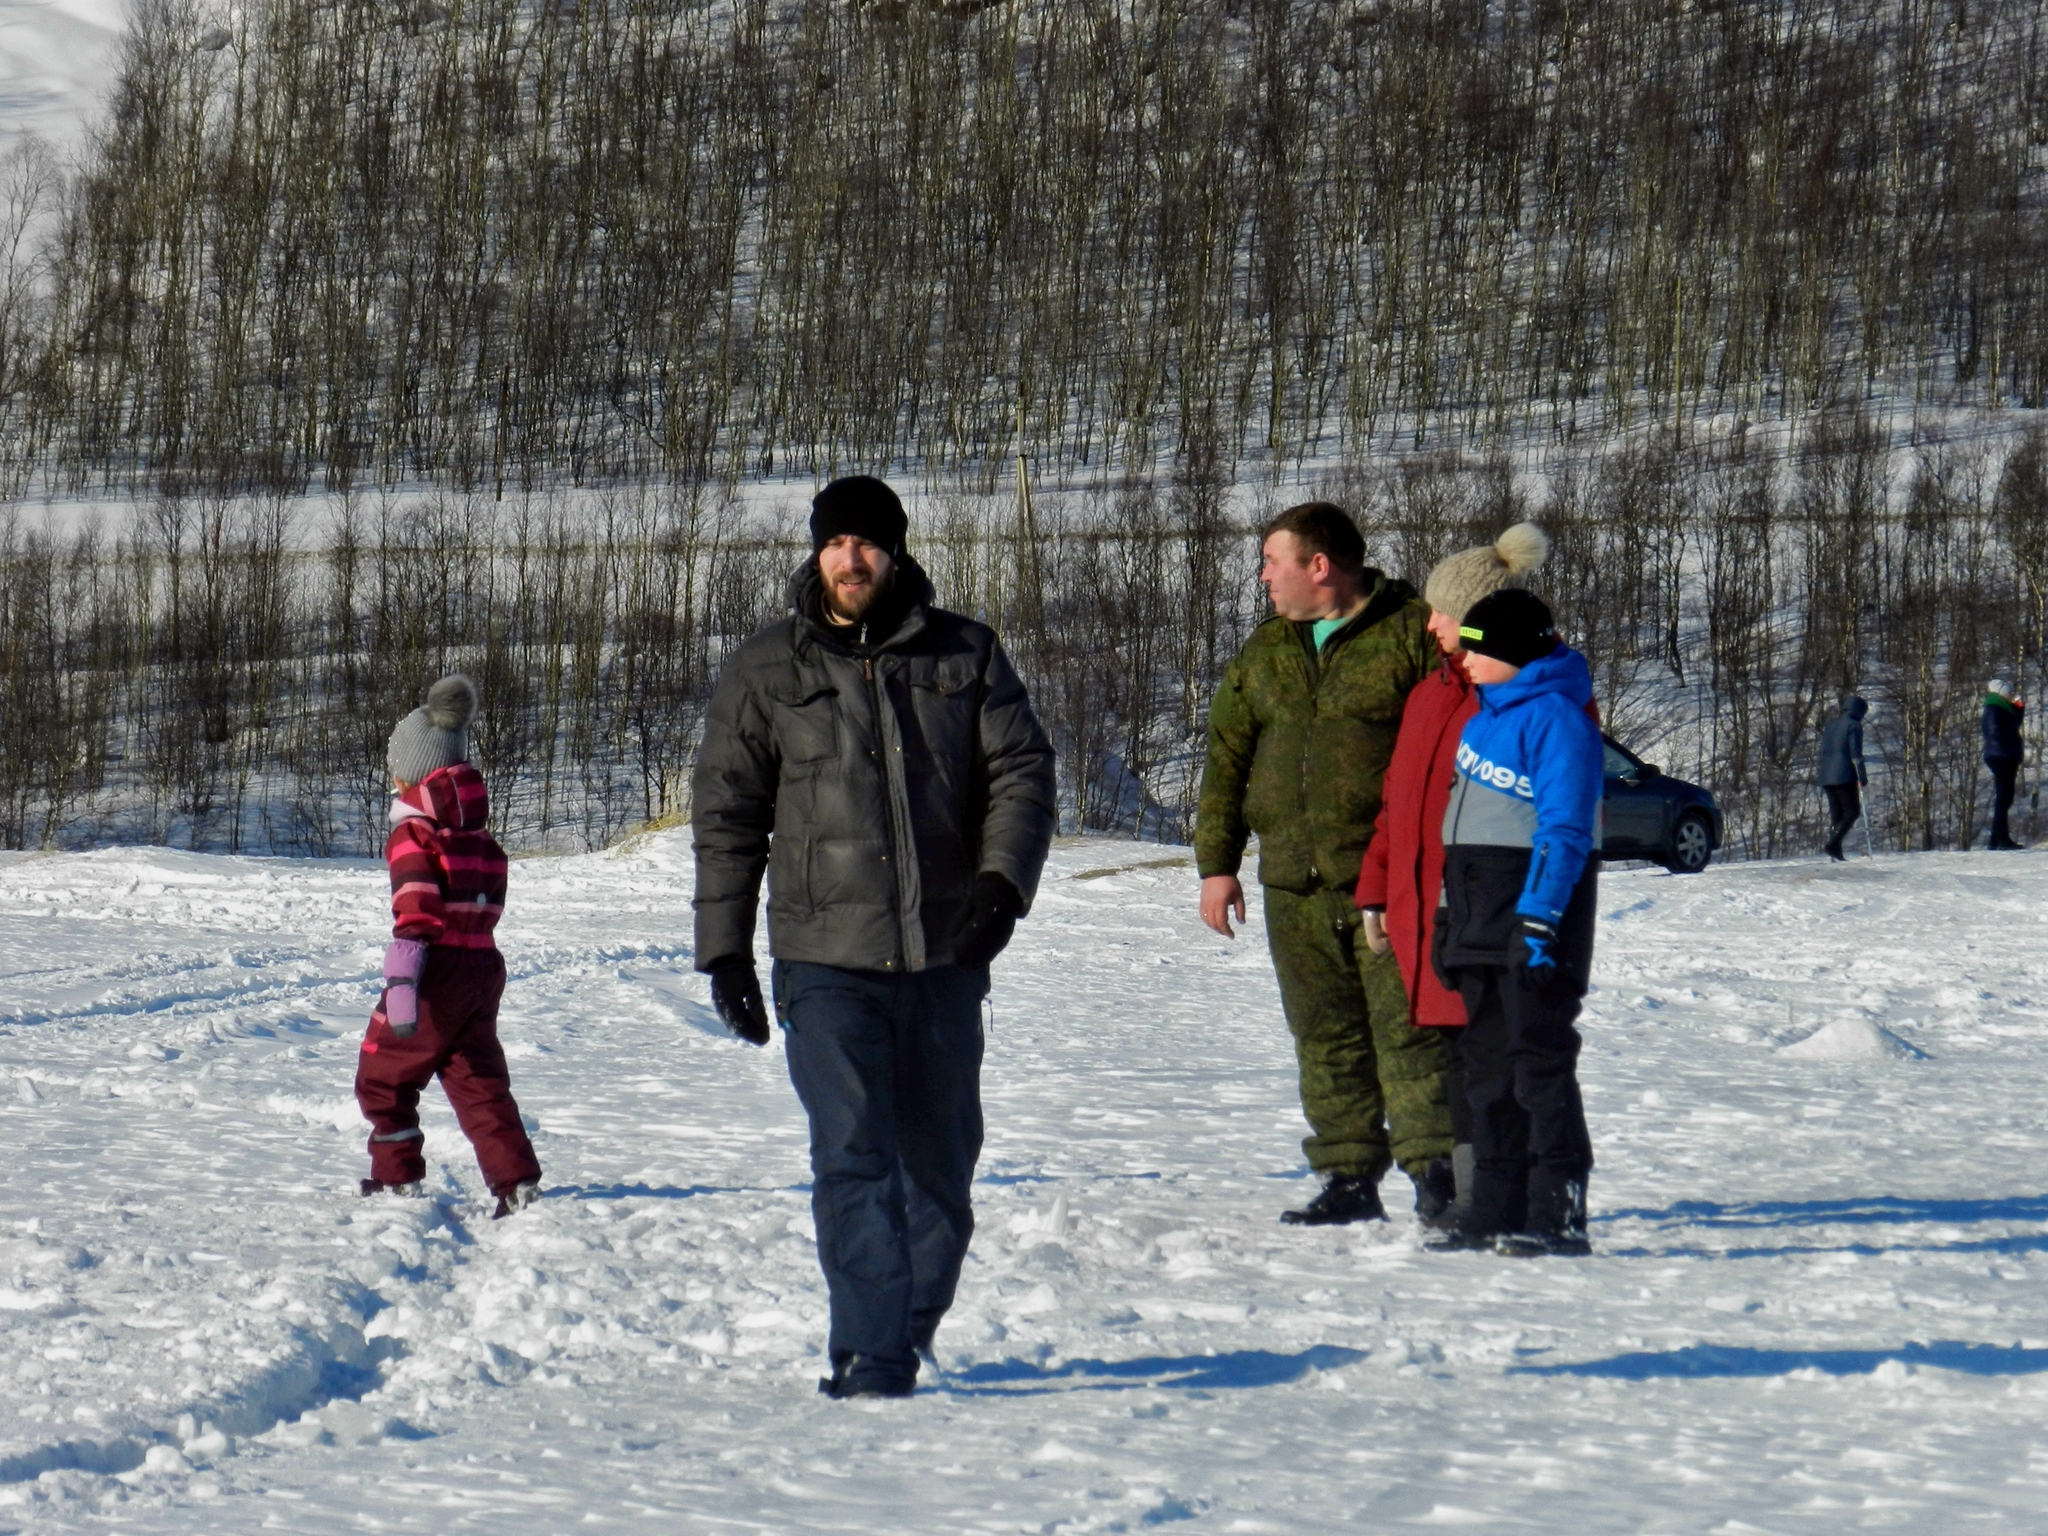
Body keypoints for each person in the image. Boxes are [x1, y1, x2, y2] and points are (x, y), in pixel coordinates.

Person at [691, 475, 1055, 1400]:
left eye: (868, 544)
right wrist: (724, 950)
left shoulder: (965, 651)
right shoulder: (767, 667)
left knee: (940, 1171)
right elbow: (727, 815)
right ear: (817, 552)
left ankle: (903, 1323)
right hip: (823, 955)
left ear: (895, 552)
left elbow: (1021, 769)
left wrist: (1001, 885)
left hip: (944, 951)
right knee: (851, 1152)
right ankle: (871, 1353)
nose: (850, 559)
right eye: (835, 543)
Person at [1196, 502, 1453, 1227]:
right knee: (1323, 1034)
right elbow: (1227, 756)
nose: (1263, 577)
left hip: (1391, 880)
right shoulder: (1265, 651)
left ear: (1320, 566)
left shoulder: (1411, 635)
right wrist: (1218, 864)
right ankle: (1347, 1176)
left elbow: (1452, 740)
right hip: (1293, 884)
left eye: (1273, 562)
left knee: (1410, 1029)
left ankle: (1437, 1173)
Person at [1355, 523, 1551, 1228]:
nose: (1429, 622)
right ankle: (1474, 1194)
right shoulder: (1428, 695)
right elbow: (1397, 805)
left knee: (1492, 1063)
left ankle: (1499, 1198)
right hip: (1424, 913)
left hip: (1482, 912)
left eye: (1443, 612)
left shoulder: (1508, 704)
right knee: (1458, 1059)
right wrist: (1376, 889)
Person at [1423, 590, 1603, 1257]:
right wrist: (1447, 918)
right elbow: (1458, 829)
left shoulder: (1557, 719)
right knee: (1487, 1070)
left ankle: (1558, 1210)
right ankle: (1493, 1207)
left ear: (1514, 652)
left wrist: (1541, 918)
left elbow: (1565, 828)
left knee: (1539, 1066)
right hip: (1476, 919)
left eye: (1478, 647)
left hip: (1534, 920)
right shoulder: (1481, 721)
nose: (1464, 658)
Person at [355, 675, 543, 1220]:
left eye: (397, 767)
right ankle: (517, 1183)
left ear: (414, 773)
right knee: (478, 1079)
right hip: (482, 967)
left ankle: (395, 1180)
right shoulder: (482, 838)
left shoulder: (415, 834)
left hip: (433, 968)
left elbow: (416, 909)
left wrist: (402, 984)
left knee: (382, 1075)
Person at [1818, 694, 1869, 860]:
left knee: (1837, 815)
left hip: (1826, 775)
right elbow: (1856, 754)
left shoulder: (1831, 725)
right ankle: (1833, 844)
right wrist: (1861, 776)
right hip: (1844, 774)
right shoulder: (1853, 726)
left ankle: (1835, 850)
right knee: (1852, 812)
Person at [1983, 679, 2026, 851]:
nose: (2010, 695)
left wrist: (2019, 709)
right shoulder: (1994, 709)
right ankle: (2002, 839)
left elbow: (2013, 724)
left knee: (2005, 797)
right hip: (2001, 756)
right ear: (2000, 693)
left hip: (2004, 755)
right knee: (2003, 797)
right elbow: (1996, 732)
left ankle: (1996, 839)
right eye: (2008, 692)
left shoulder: (2001, 708)